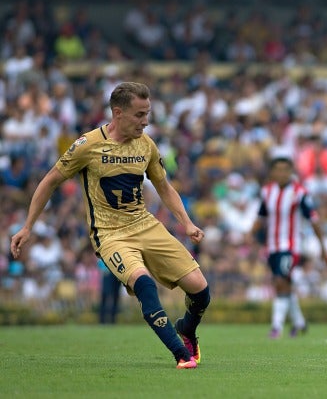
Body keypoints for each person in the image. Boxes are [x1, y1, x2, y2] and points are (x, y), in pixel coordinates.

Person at [10, 82, 209, 369]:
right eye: (139, 115)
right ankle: (181, 355)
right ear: (118, 113)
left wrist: (187, 223)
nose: (145, 121)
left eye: (147, 113)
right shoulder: (87, 145)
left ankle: (187, 330)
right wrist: (27, 226)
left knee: (201, 290)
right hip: (110, 234)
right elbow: (50, 180)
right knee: (144, 284)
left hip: (145, 225)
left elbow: (164, 186)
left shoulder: (146, 145)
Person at [250, 156, 327, 339]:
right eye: (278, 169)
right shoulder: (267, 192)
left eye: (286, 169)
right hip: (272, 247)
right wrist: (249, 236)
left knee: (280, 282)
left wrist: (323, 246)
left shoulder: (299, 192)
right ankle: (300, 323)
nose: (282, 173)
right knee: (285, 285)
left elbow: (313, 220)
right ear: (272, 172)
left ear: (291, 171)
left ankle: (276, 327)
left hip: (291, 246)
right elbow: (261, 218)